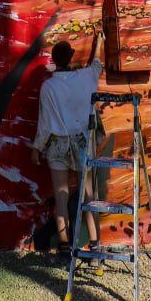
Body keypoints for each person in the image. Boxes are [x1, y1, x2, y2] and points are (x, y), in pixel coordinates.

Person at [32, 39, 102, 250]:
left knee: (61, 195)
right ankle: (94, 241)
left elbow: (44, 124)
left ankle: (64, 245)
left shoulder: (48, 87)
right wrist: (98, 42)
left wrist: (36, 148)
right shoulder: (84, 77)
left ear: (53, 60)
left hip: (57, 143)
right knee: (87, 193)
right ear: (71, 57)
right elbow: (97, 65)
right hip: (80, 140)